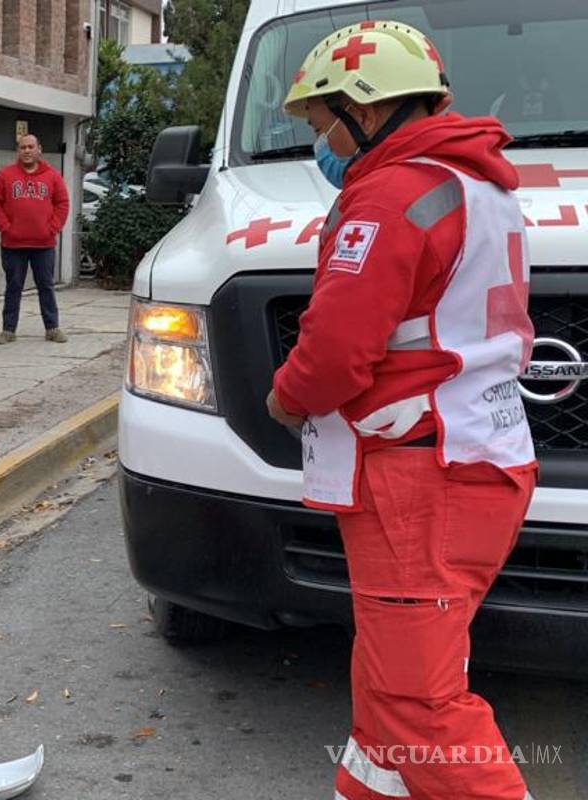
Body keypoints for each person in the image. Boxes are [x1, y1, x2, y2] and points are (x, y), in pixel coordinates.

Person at [271, 21, 537, 800]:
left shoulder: (393, 192)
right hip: (471, 457)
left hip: (420, 475)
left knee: (419, 709)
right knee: (390, 684)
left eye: (322, 123)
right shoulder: (478, 184)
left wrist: (285, 395)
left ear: (365, 107)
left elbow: (335, 350)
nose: (321, 143)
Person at [0, 134, 70, 344]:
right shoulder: (4, 175)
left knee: (46, 286)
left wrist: (53, 228)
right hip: (13, 245)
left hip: (44, 245)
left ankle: (52, 328)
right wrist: (6, 228)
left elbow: (62, 203)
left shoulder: (53, 176)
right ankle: (8, 330)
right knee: (13, 287)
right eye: (23, 147)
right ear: (18, 150)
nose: (26, 150)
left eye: (30, 147)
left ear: (39, 149)